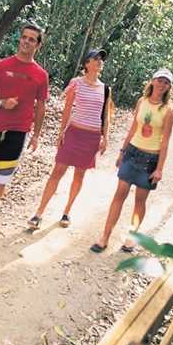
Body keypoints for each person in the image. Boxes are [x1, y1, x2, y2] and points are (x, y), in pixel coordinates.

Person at [0, 22, 49, 237]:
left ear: (38, 45)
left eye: (32, 39)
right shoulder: (1, 66)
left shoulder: (41, 74)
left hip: (19, 128)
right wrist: (1, 103)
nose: (26, 41)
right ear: (20, 39)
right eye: (24, 37)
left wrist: (36, 134)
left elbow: (41, 106)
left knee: (3, 173)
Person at [91, 68, 173, 253]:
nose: (162, 84)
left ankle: (132, 237)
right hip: (132, 152)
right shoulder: (142, 101)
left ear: (169, 86)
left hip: (150, 158)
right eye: (160, 80)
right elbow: (133, 128)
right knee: (119, 194)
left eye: (166, 82)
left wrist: (159, 168)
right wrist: (122, 152)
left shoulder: (168, 110)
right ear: (153, 81)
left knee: (140, 200)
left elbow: (166, 141)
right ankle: (105, 236)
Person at [28, 48, 112, 230]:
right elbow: (67, 110)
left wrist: (106, 137)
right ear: (87, 63)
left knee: (79, 175)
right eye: (96, 59)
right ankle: (38, 213)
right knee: (58, 171)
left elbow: (105, 115)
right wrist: (61, 133)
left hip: (92, 137)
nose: (99, 62)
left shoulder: (105, 89)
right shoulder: (76, 83)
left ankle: (67, 211)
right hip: (74, 133)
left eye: (101, 60)